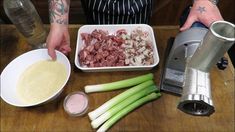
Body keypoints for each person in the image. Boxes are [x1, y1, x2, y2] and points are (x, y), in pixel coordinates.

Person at [46, 0, 223, 60]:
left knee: (138, 43)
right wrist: (58, 23)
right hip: (97, 9)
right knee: (98, 44)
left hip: (140, 9)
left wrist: (205, 1)